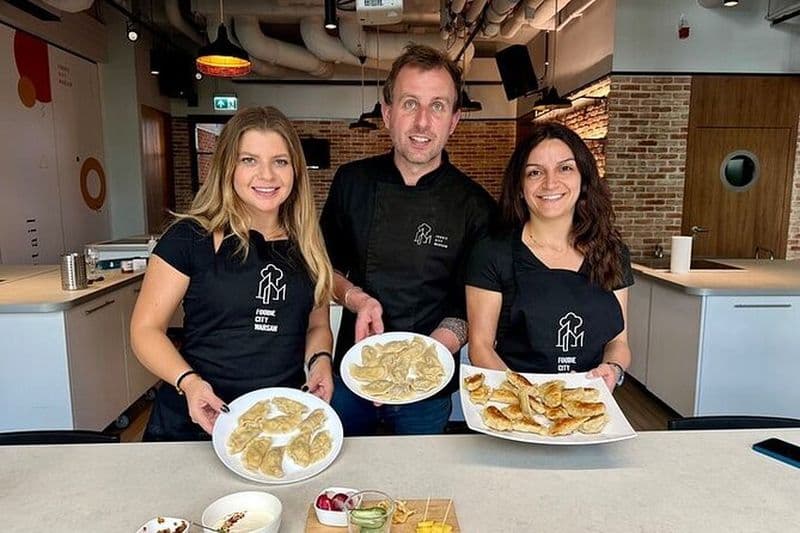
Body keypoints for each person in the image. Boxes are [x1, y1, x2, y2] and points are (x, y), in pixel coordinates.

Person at [320, 44, 496, 435]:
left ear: (454, 120)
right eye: (410, 103)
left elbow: (471, 305)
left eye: (438, 106)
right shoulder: (352, 182)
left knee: (418, 473)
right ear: (387, 113)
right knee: (344, 471)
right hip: (354, 372)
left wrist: (423, 357)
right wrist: (356, 298)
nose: (422, 122)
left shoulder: (477, 207)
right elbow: (323, 268)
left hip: (427, 386)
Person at [131, 106, 335, 441]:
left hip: (276, 425)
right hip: (196, 422)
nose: (267, 175)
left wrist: (320, 361)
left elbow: (317, 325)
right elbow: (145, 330)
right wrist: (189, 383)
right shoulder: (189, 237)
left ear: (295, 170)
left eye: (280, 161)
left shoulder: (309, 244)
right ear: (228, 166)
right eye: (249, 160)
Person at [465, 122, 632, 390]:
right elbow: (480, 347)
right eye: (535, 172)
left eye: (565, 168)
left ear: (584, 178)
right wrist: (530, 399)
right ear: (520, 186)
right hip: (516, 401)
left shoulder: (612, 251)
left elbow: (618, 341)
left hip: (588, 400)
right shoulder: (492, 252)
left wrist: (613, 369)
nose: (550, 183)